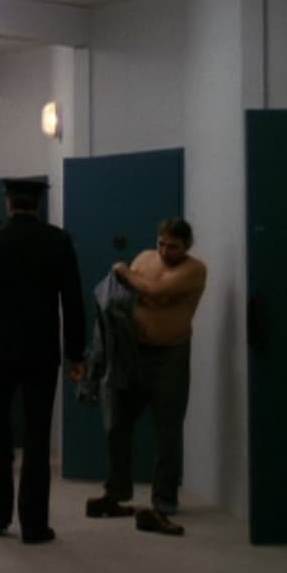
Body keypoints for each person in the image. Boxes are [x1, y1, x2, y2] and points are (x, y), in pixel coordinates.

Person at [0, 179, 86, 545]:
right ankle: (34, 524)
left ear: (8, 202)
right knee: (36, 436)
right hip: (40, 352)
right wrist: (76, 353)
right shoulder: (58, 241)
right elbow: (73, 301)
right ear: (38, 203)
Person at [86, 217, 206, 536]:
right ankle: (116, 491)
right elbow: (130, 297)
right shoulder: (144, 257)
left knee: (168, 430)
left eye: (173, 247)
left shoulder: (194, 270)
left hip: (170, 356)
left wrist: (123, 271)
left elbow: (156, 291)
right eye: (161, 244)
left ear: (187, 246)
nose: (165, 252)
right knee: (117, 423)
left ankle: (163, 500)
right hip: (133, 352)